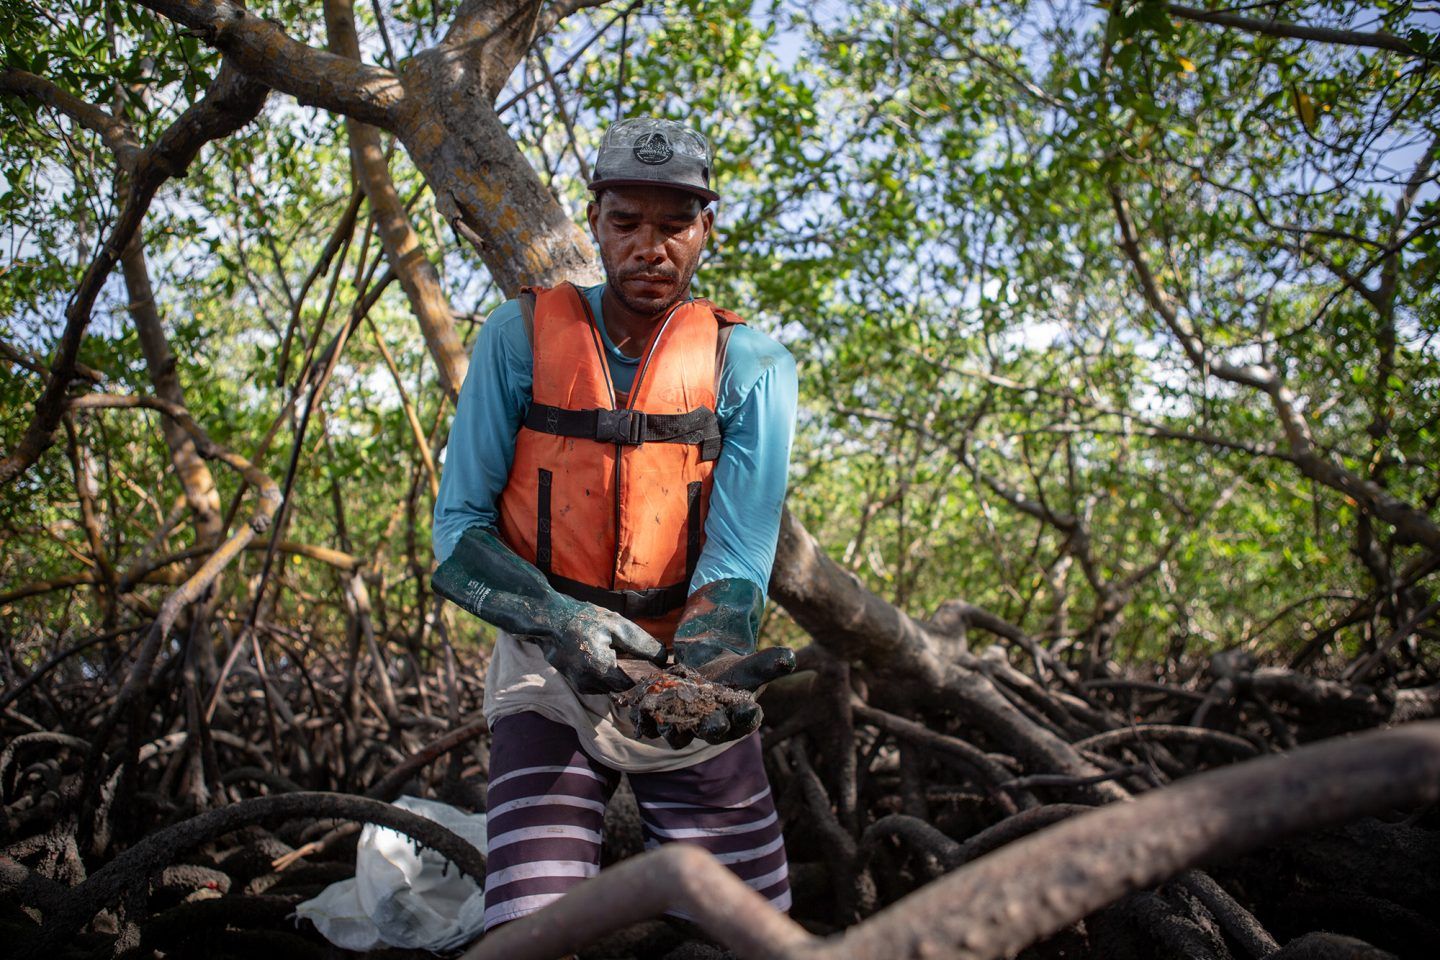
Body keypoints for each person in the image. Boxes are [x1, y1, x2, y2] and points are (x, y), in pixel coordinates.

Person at [431, 117, 799, 931]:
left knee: (748, 925)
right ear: (594, 220)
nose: (650, 247)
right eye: (626, 222)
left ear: (708, 227)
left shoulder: (754, 366)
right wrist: (556, 618)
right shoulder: (517, 337)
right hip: (546, 662)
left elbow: (739, 549)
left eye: (674, 225)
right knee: (531, 926)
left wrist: (699, 672)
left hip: (685, 662)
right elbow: (457, 530)